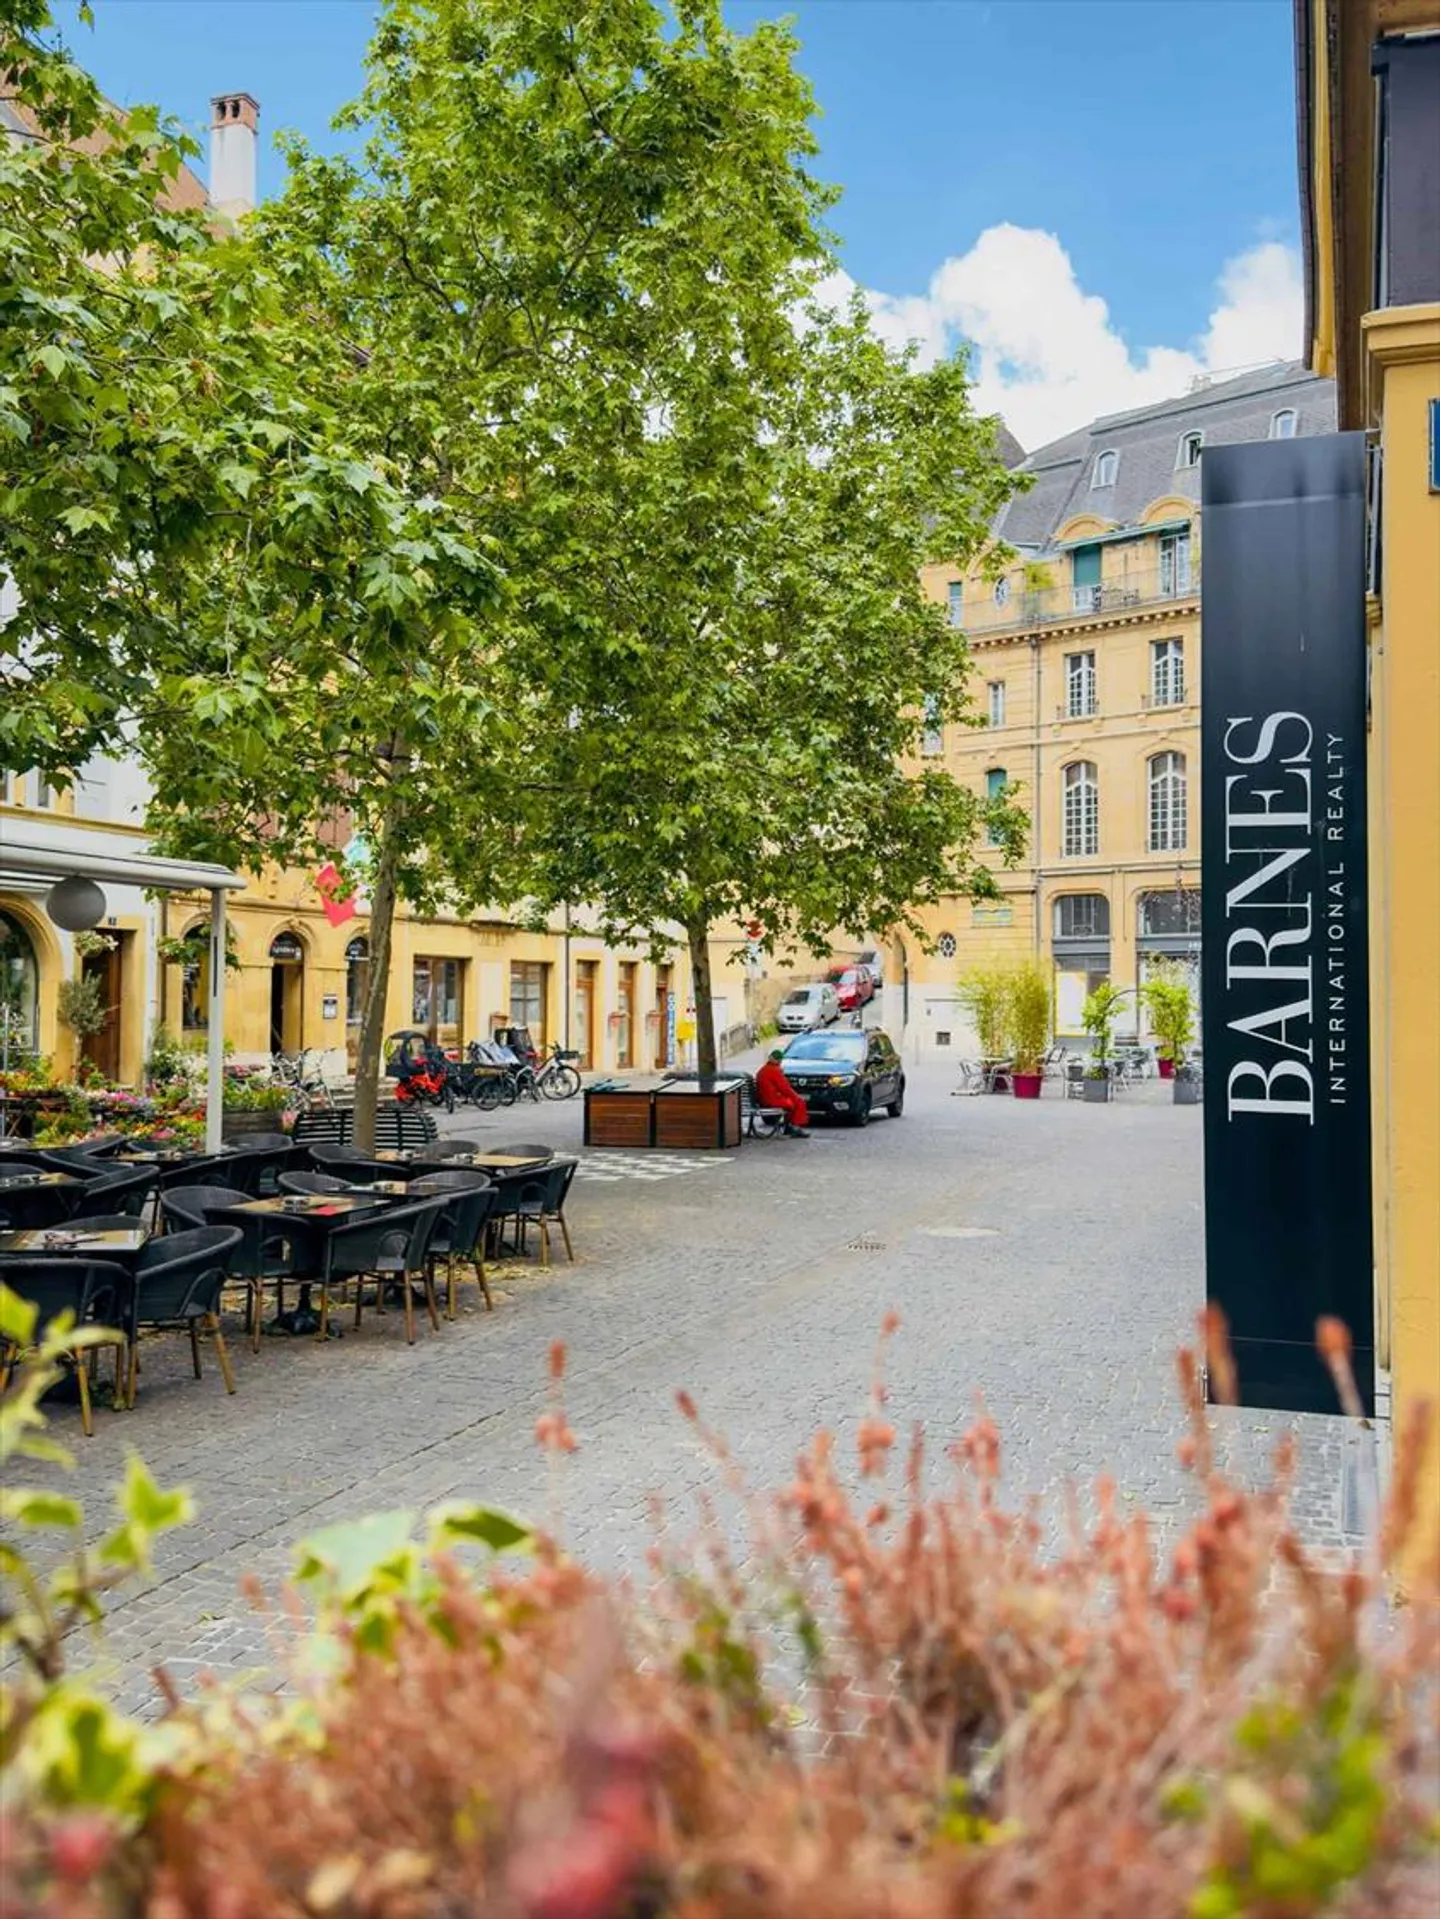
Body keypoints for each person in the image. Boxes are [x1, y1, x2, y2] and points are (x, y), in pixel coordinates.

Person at [755, 1049, 810, 1137]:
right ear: (780, 1060)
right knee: (798, 1102)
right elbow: (785, 1088)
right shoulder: (774, 1070)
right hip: (771, 1100)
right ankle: (794, 1128)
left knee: (792, 1102)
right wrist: (796, 1097)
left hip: (764, 1099)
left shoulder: (764, 1069)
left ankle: (790, 1127)